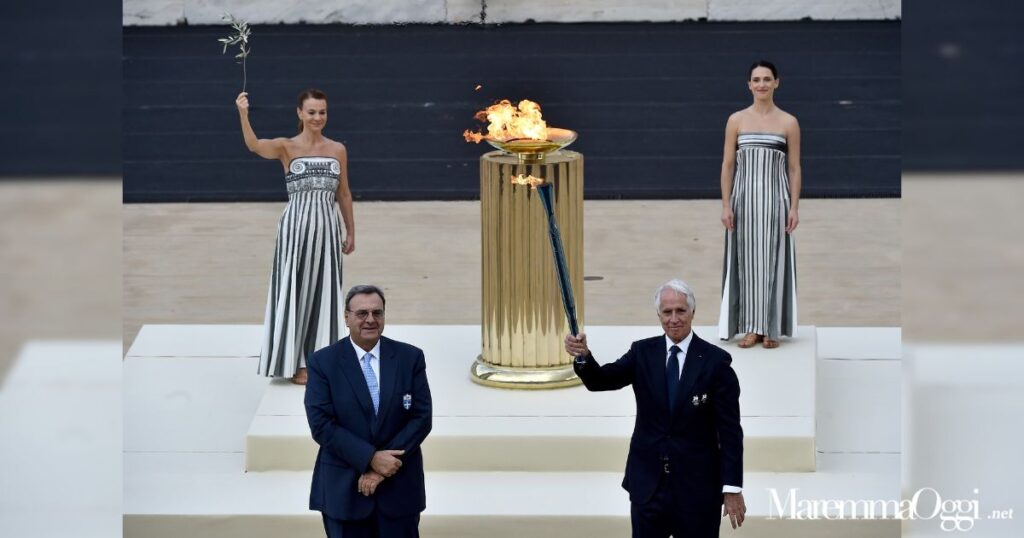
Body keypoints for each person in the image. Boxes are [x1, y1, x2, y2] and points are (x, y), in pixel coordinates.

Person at [565, 279, 745, 538]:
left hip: (697, 491)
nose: (674, 319)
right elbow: (600, 380)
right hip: (648, 488)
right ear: (659, 315)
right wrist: (582, 356)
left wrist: (731, 488)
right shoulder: (642, 353)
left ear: (692, 312)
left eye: (680, 311)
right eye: (667, 312)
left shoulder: (715, 363)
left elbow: (730, 432)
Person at [236, 88, 355, 384]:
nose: (317, 117)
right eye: (312, 112)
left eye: (322, 112)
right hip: (295, 230)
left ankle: (320, 360)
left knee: (324, 293)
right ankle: (295, 363)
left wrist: (351, 230)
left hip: (327, 230)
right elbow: (253, 146)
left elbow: (344, 192)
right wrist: (243, 113)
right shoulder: (286, 147)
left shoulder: (337, 149)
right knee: (294, 291)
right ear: (299, 113)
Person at [305, 284, 432, 538]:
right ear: (347, 317)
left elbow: (421, 418)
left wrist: (381, 468)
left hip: (399, 492)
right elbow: (321, 424)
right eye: (362, 313)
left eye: (377, 313)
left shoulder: (410, 357)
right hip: (344, 493)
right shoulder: (323, 362)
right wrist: (371, 458)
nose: (370, 320)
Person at [717, 60, 800, 349]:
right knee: (747, 262)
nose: (762, 84)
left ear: (777, 82)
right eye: (756, 79)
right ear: (749, 85)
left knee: (772, 262)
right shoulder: (736, 120)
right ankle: (751, 327)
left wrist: (794, 207)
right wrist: (726, 205)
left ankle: (770, 328)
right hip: (744, 202)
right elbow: (728, 165)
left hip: (776, 201)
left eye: (767, 79)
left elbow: (794, 168)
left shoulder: (789, 122)